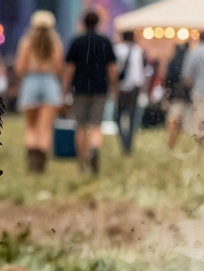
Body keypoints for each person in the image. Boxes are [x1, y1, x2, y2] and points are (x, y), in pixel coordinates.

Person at [62, 10, 117, 176]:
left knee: (81, 126)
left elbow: (69, 69)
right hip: (100, 89)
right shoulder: (105, 42)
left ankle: (82, 161)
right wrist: (114, 87)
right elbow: (112, 68)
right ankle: (94, 148)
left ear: (83, 22)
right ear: (98, 23)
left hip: (79, 90)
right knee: (96, 125)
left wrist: (64, 89)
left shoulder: (76, 42)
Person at [16, 11, 64, 173]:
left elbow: (19, 68)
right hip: (49, 82)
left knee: (31, 126)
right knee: (45, 127)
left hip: (31, 81)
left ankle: (31, 164)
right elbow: (58, 68)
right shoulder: (55, 44)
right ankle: (41, 166)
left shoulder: (26, 43)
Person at [113, 30, 146, 154]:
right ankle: (129, 143)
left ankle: (124, 142)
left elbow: (114, 69)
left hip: (121, 87)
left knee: (118, 117)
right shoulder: (138, 50)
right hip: (135, 87)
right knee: (132, 117)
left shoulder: (117, 49)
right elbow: (143, 71)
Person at [180, 36, 204, 145]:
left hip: (200, 90)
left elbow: (187, 75)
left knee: (200, 116)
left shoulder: (194, 52)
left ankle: (201, 139)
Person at [166, 40, 193, 149]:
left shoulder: (174, 61)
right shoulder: (188, 60)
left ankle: (171, 143)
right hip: (186, 95)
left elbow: (168, 79)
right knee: (181, 121)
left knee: (174, 119)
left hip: (176, 95)